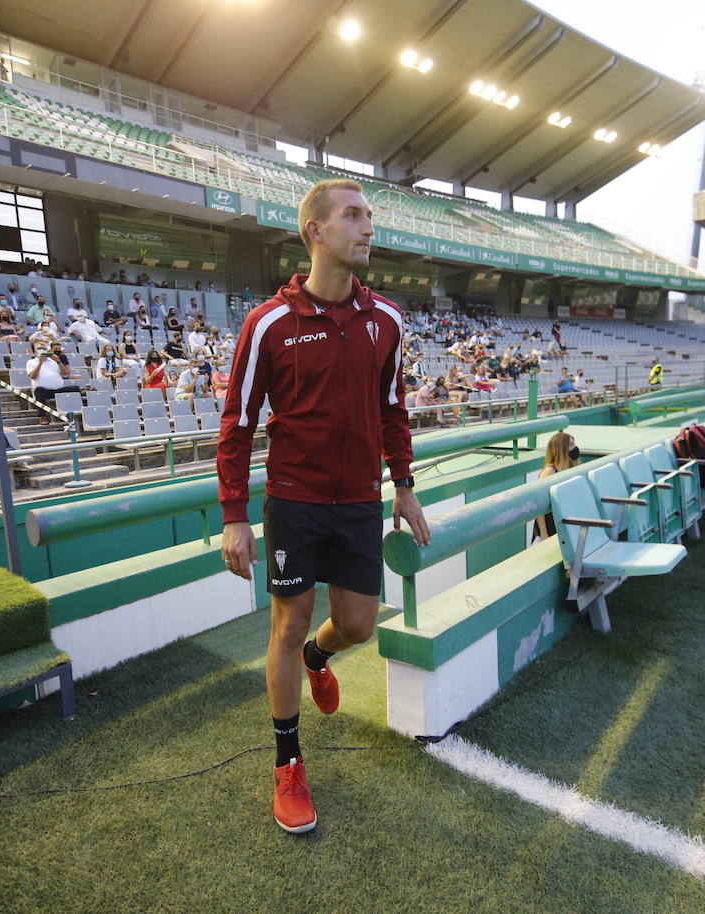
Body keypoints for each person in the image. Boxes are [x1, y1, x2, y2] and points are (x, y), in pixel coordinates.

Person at [216, 178, 429, 835]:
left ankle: (318, 659)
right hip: (296, 499)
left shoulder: (387, 320)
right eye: (353, 216)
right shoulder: (269, 323)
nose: (368, 227)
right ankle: (288, 763)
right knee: (286, 622)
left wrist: (403, 482)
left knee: (359, 624)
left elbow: (393, 408)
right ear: (316, 231)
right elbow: (238, 422)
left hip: (360, 499)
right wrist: (233, 515)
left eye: (369, 215)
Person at [532, 432, 580, 541]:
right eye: (571, 444)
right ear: (561, 448)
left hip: (564, 520)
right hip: (550, 525)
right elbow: (538, 503)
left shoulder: (571, 466)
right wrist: (543, 532)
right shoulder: (549, 471)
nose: (575, 447)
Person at [28, 341, 83, 422]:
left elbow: (65, 374)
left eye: (44, 348)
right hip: (45, 391)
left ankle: (80, 413)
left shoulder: (53, 361)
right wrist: (40, 363)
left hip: (58, 389)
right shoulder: (31, 362)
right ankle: (42, 416)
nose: (42, 350)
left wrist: (58, 361)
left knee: (75, 388)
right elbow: (33, 376)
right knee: (39, 391)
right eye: (39, 348)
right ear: (35, 351)